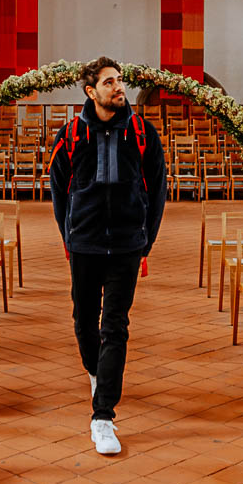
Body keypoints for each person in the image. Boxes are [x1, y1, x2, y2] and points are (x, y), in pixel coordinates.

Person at [49, 56, 167, 455]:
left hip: (127, 244)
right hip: (84, 243)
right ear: (91, 91)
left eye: (119, 80)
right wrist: (69, 235)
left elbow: (158, 188)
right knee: (84, 321)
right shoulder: (70, 134)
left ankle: (103, 417)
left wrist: (145, 239)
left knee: (115, 325)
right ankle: (97, 372)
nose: (119, 87)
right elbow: (58, 189)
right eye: (109, 82)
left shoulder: (142, 132)